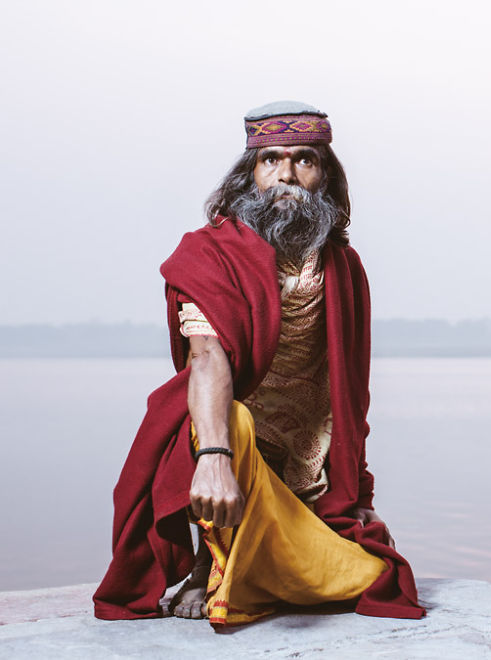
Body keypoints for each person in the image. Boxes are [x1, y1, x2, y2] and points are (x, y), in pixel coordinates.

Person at [93, 101, 425, 626]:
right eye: (270, 159)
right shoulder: (208, 254)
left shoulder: (343, 266)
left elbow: (351, 390)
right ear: (249, 174)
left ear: (327, 176)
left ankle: (269, 565)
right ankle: (211, 567)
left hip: (306, 476)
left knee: (370, 577)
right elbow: (206, 359)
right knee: (232, 420)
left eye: (304, 160)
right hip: (225, 448)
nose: (286, 174)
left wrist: (359, 491)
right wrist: (216, 457)